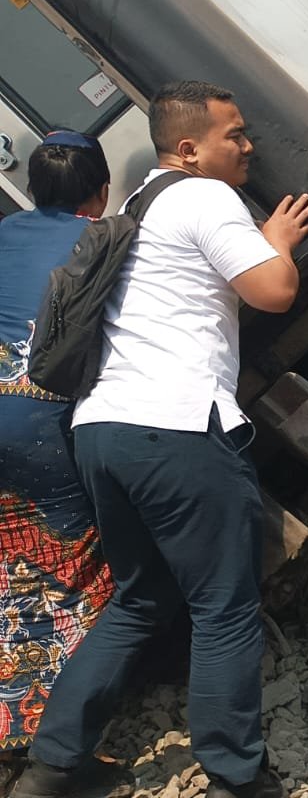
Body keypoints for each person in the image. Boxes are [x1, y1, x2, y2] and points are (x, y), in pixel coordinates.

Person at [13, 82, 308, 798]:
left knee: (142, 598)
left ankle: (53, 767)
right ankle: (236, 778)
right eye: (234, 135)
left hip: (102, 432)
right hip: (175, 428)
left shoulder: (131, 207)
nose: (247, 147)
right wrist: (274, 242)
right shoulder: (203, 196)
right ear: (189, 148)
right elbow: (273, 290)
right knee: (224, 605)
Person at [0, 134, 115, 787]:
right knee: (73, 575)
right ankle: (65, 753)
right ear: (98, 194)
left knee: (9, 573)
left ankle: (8, 729)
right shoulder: (99, 242)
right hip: (39, 426)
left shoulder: (5, 230)